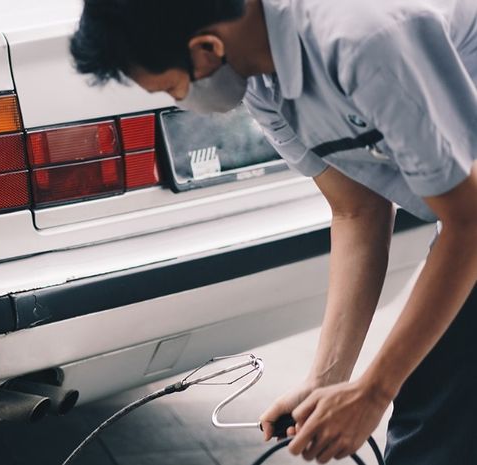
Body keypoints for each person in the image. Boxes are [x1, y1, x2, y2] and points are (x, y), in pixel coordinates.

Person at [70, 0, 477, 463]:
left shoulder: (362, 40)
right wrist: (325, 381)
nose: (181, 101)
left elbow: (469, 220)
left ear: (206, 48)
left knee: (432, 420)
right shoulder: (261, 83)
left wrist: (373, 391)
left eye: (172, 88)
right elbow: (357, 211)